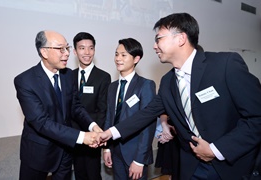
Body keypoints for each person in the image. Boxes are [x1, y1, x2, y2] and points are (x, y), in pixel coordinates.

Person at [98, 13, 261, 180]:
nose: (154, 46)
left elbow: (257, 118)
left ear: (181, 38)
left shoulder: (225, 65)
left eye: (158, 39)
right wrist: (109, 133)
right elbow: (146, 114)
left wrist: (215, 150)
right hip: (192, 168)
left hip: (231, 166)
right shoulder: (168, 81)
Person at [14, 30, 103, 180]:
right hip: (38, 152)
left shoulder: (67, 75)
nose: (67, 53)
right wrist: (82, 137)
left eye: (67, 48)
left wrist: (92, 126)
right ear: (44, 52)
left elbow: (76, 107)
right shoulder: (25, 81)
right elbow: (41, 122)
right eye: (60, 49)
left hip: (65, 150)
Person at [103, 38, 157, 180]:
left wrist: (140, 159)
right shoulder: (112, 87)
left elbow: (148, 125)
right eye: (116, 54)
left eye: (123, 55)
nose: (118, 59)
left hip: (135, 153)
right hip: (116, 151)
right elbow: (109, 117)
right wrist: (107, 148)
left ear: (136, 58)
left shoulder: (146, 85)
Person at [72, 32, 111, 180]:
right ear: (75, 51)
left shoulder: (103, 76)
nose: (87, 53)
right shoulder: (68, 75)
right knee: (79, 173)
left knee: (93, 173)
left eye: (91, 48)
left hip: (93, 136)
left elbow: (103, 110)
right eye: (82, 48)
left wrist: (96, 135)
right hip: (73, 135)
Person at [154, 114, 180, 180]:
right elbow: (163, 111)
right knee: (173, 169)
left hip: (185, 132)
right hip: (172, 132)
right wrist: (164, 125)